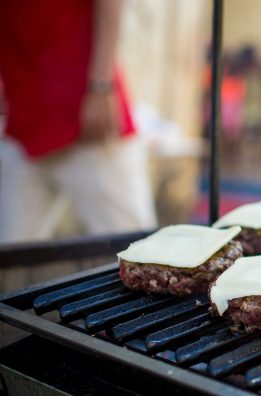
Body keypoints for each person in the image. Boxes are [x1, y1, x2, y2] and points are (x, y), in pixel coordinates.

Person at [0, 0, 157, 243]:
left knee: (133, 253)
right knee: (11, 262)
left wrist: (101, 85)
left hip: (86, 119)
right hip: (22, 122)